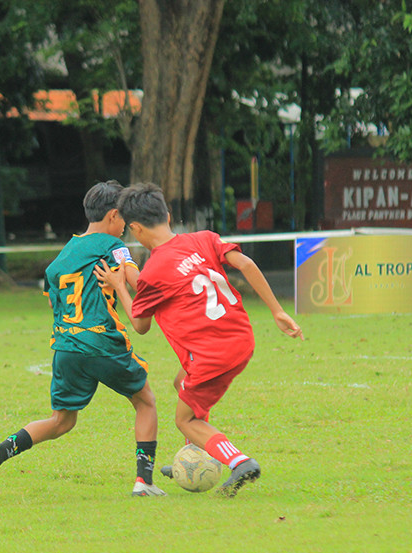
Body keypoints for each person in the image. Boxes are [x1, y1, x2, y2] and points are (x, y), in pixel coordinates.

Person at [95, 182, 303, 497]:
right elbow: (245, 264)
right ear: (166, 214)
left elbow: (140, 324)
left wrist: (118, 284)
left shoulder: (153, 272)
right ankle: (195, 455)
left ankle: (240, 462)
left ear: (134, 228)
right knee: (181, 383)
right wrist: (277, 312)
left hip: (210, 354)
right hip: (241, 338)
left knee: (185, 418)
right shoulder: (204, 239)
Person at [0, 180, 164, 499]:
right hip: (101, 342)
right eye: (125, 221)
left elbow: (52, 300)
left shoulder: (61, 257)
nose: (126, 228)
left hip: (65, 348)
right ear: (114, 216)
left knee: (61, 421)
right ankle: (144, 482)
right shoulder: (111, 245)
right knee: (145, 401)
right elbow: (138, 281)